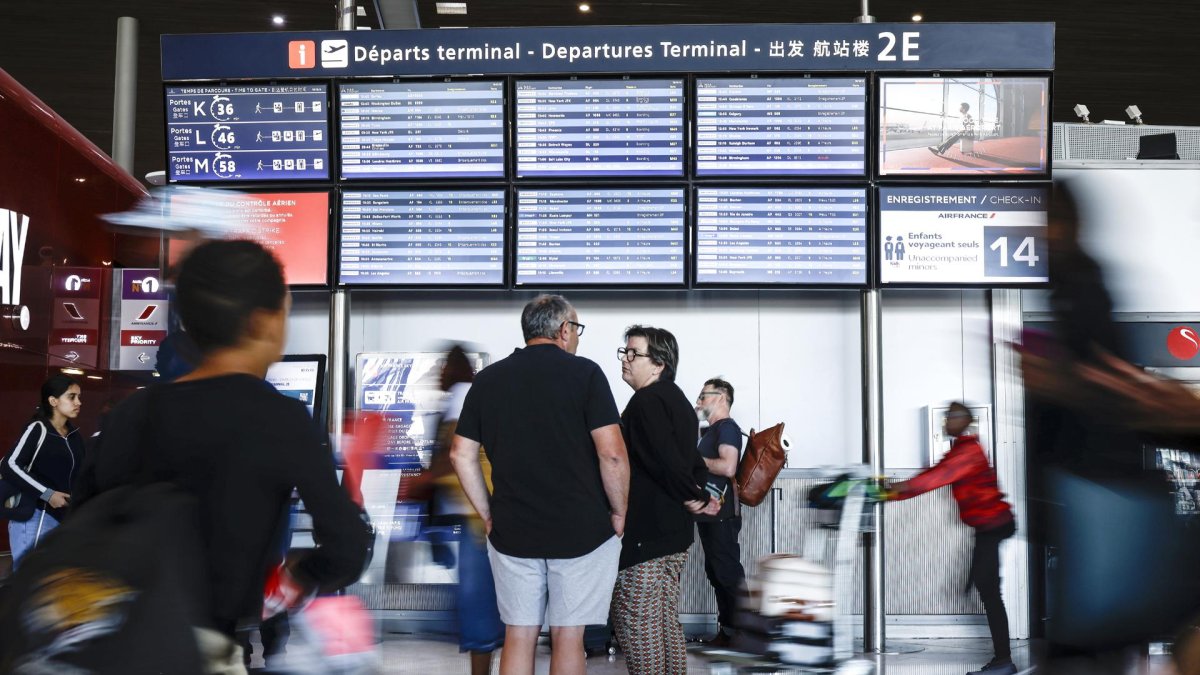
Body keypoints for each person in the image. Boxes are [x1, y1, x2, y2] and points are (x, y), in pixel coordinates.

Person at [74, 240, 372, 659]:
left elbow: (82, 519)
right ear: (262, 322)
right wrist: (292, 577)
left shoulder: (128, 414)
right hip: (205, 647)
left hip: (114, 647)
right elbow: (347, 545)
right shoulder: (280, 419)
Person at [450, 294, 629, 675]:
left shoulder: (489, 379)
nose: (577, 337)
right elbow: (612, 454)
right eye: (576, 328)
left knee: (519, 632)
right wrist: (619, 512)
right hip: (581, 531)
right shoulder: (586, 374)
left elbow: (460, 455)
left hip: (513, 529)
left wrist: (487, 513)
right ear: (564, 330)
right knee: (568, 636)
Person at [612, 325, 717, 675]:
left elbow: (665, 460)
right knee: (664, 621)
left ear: (658, 364)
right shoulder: (678, 400)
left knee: (638, 623)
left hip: (648, 533)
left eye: (633, 353)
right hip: (675, 533)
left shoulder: (646, 402)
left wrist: (694, 495)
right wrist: (697, 496)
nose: (625, 360)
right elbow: (693, 461)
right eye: (624, 352)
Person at [885, 403, 1016, 675]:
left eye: (949, 417)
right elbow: (930, 477)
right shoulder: (960, 449)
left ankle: (1004, 662)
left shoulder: (967, 451)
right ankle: (1002, 659)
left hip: (994, 525)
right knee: (985, 586)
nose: (945, 422)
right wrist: (893, 493)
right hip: (987, 527)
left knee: (990, 592)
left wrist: (890, 490)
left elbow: (932, 480)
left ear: (963, 421)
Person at [412, 345, 503, 675]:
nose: (439, 373)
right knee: (479, 603)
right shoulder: (471, 395)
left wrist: (422, 481)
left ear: (457, 368)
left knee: (476, 605)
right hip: (474, 517)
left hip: (477, 519)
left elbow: (454, 452)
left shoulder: (461, 394)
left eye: (444, 366)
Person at [2, 375, 84, 569]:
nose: (78, 402)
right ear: (53, 401)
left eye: (79, 397)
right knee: (28, 582)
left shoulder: (74, 435)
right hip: (34, 517)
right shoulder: (38, 428)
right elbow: (10, 465)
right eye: (72, 397)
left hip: (63, 518)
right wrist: (47, 494)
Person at [693, 377, 746, 648]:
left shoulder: (727, 428)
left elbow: (728, 467)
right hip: (709, 514)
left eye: (705, 395)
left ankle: (745, 635)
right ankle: (728, 632)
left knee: (727, 572)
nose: (699, 400)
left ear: (722, 398)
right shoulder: (710, 431)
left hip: (722, 513)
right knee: (716, 572)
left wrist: (691, 459)